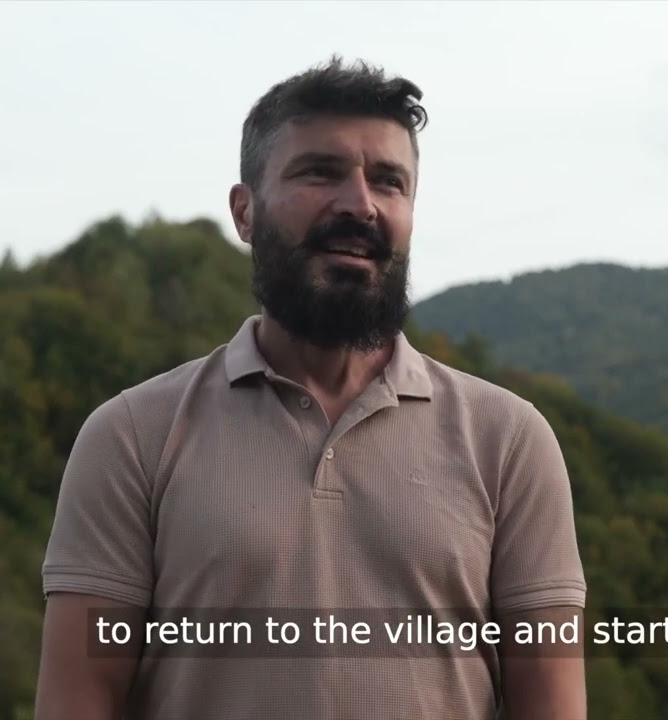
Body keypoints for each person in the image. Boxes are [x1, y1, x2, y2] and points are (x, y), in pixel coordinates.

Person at [33, 56, 587, 720]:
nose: (360, 205)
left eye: (389, 182)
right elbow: (78, 702)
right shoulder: (132, 437)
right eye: (320, 172)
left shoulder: (509, 441)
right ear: (245, 212)